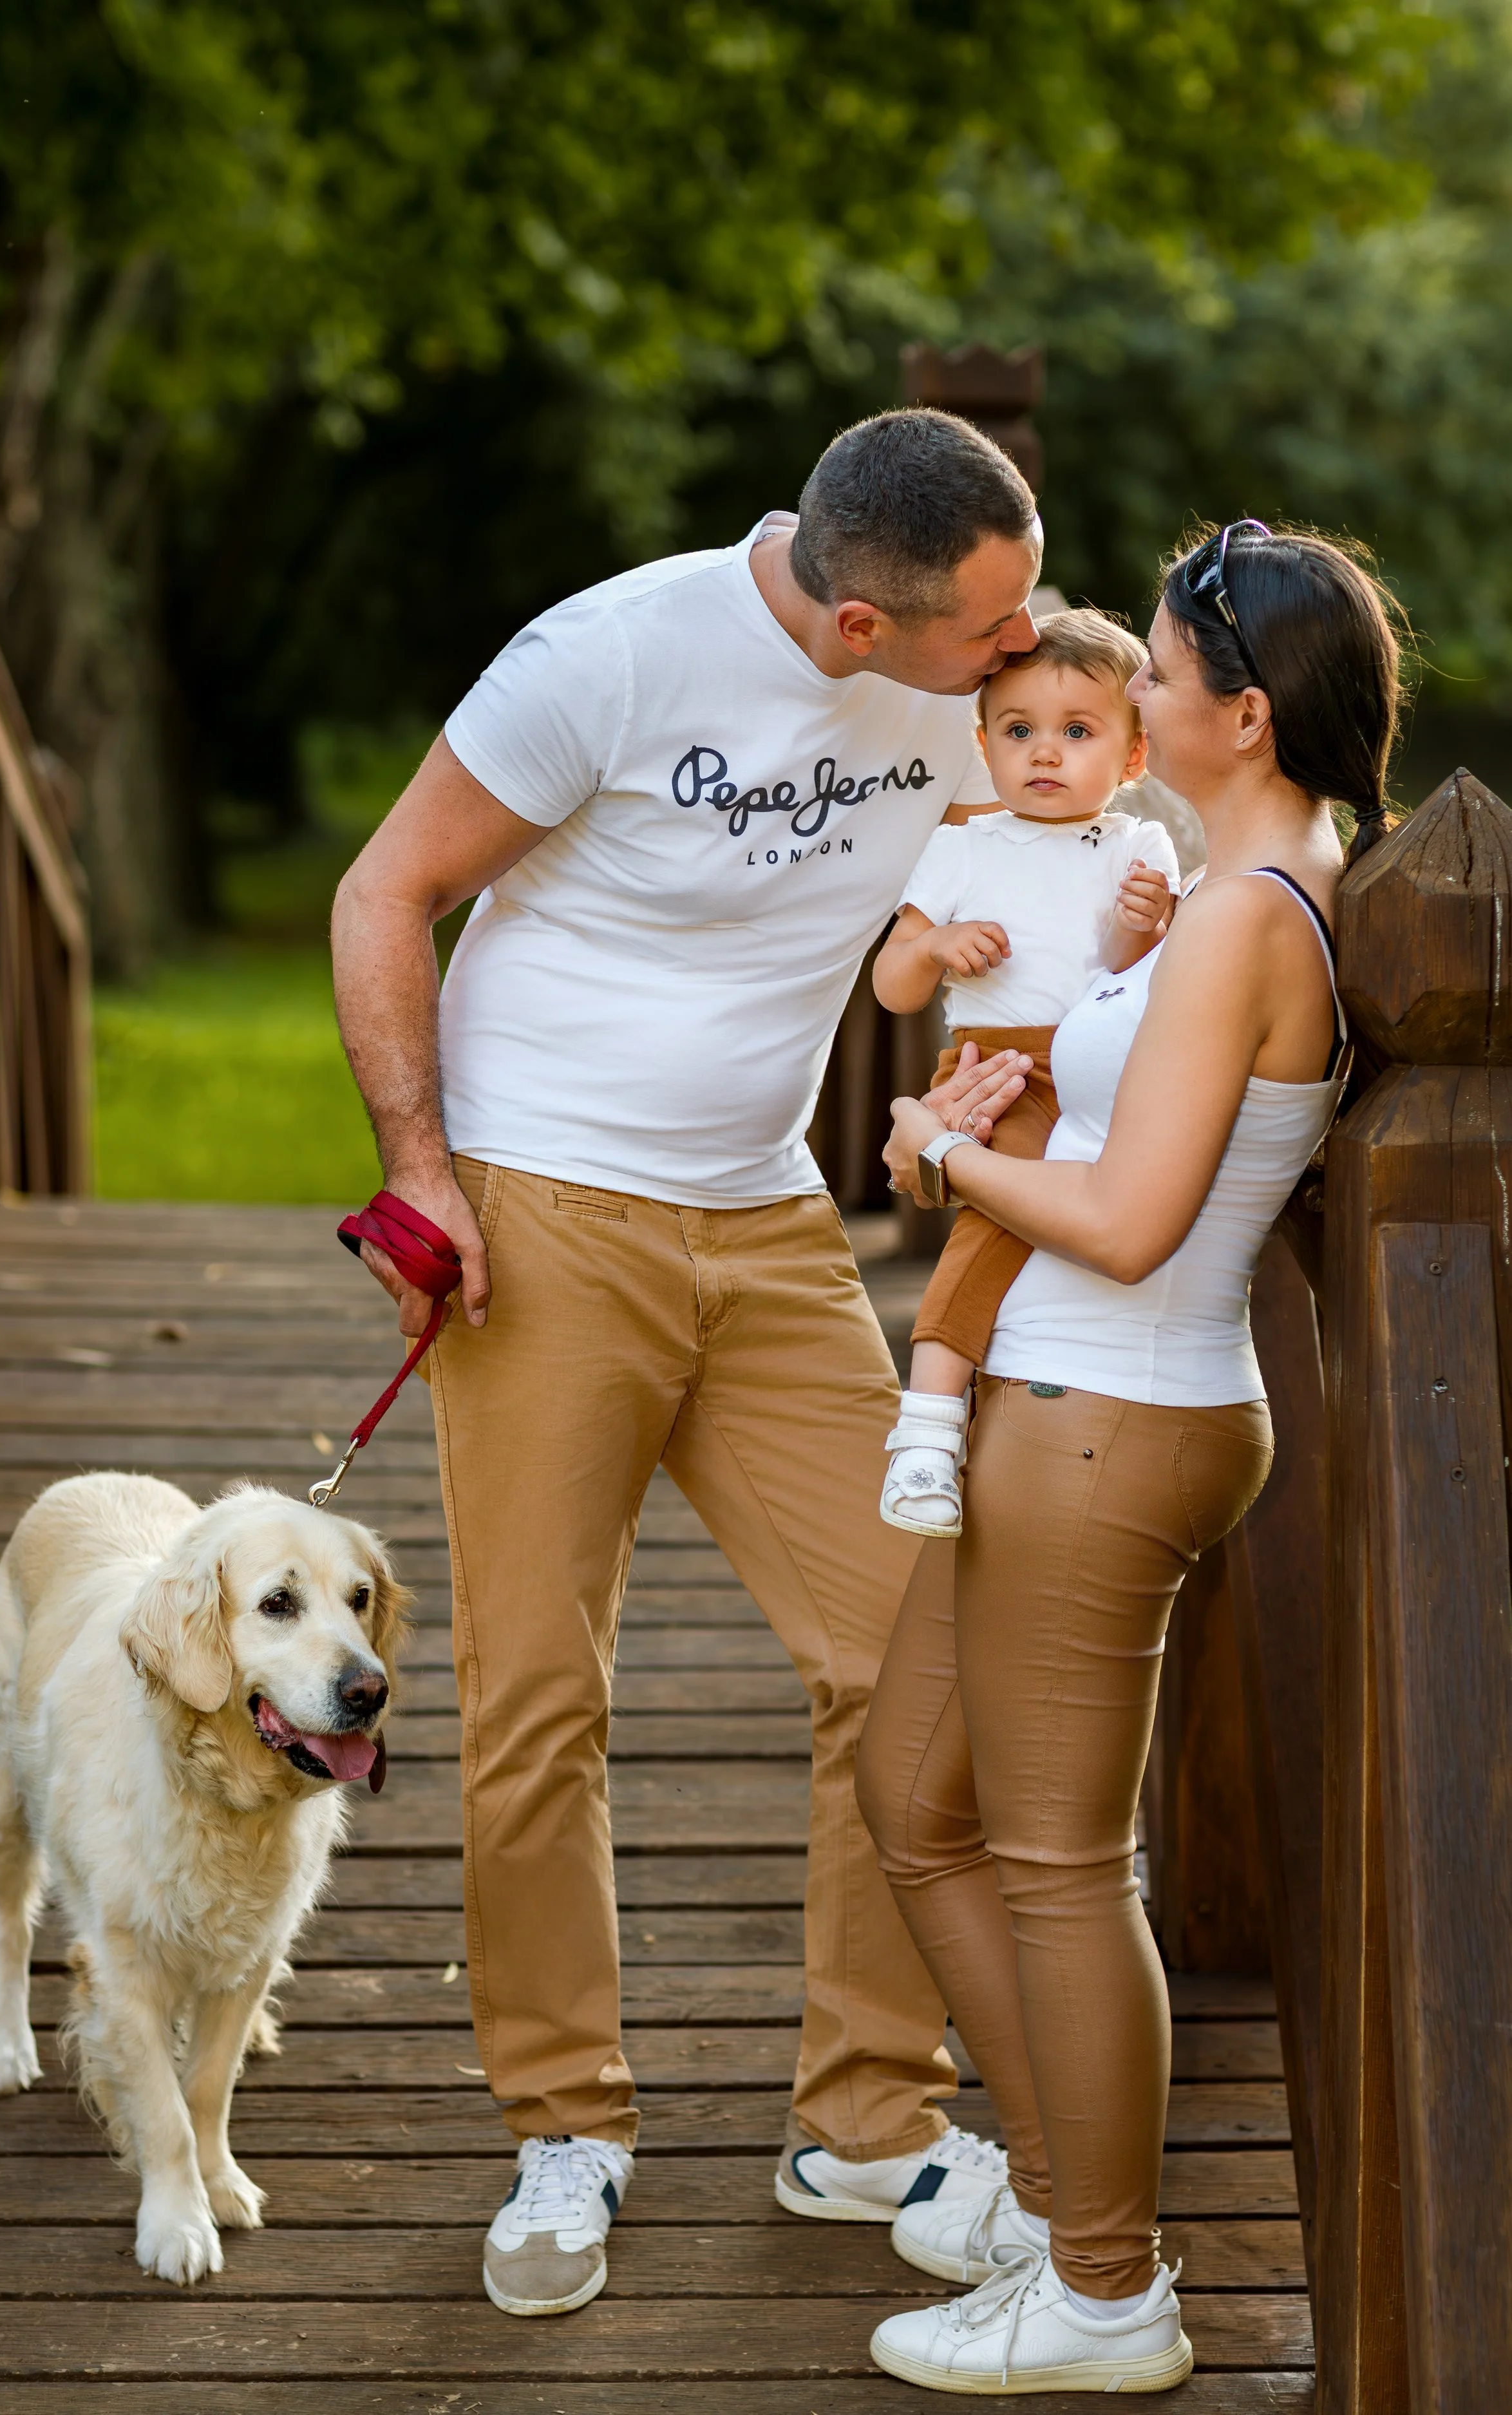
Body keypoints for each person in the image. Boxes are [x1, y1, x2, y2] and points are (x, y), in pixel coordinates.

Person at [330, 408, 1048, 2319]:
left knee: (906, 1653)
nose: (1019, 648)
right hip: (542, 1210)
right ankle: (563, 2121)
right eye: (987, 627)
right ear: (857, 625)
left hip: (770, 1216)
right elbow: (382, 888)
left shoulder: (967, 687)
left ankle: (866, 2120)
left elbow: (1136, 791)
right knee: (538, 1689)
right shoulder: (607, 659)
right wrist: (419, 1172)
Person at [854, 521, 1403, 2394]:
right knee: (912, 1796)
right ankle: (1051, 2188)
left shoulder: (1247, 915)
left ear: (1241, 715)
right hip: (1056, 1402)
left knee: (1058, 1865)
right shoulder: (1234, 884)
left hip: (1106, 1413)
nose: (1130, 698)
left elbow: (1129, 1219)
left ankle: (1102, 2290)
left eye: (1154, 676)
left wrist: (939, 1154)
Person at [871, 610, 1179, 1536]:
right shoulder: (963, 847)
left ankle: (977, 1409)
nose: (1045, 752)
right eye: (1018, 730)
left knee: (1058, 1225)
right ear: (984, 744)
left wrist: (1143, 925)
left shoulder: (1137, 846)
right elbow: (892, 983)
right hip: (996, 1067)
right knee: (1001, 1223)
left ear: (1133, 755)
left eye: (1078, 731)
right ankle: (928, 1425)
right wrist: (938, 947)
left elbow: (1133, 971)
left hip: (1103, 1060)